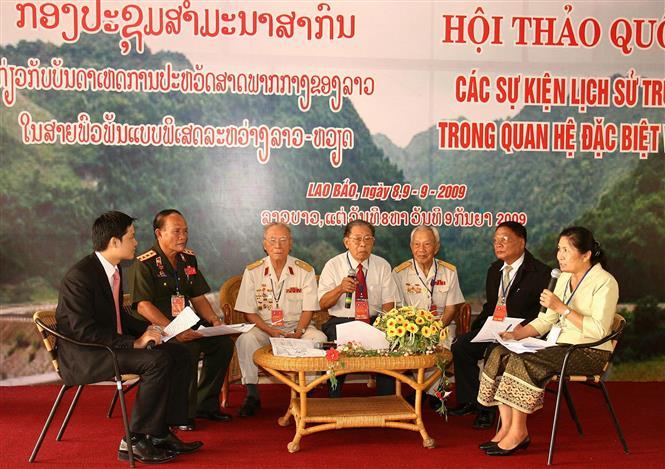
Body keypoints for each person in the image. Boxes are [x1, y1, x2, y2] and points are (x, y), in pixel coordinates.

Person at [55, 211, 202, 464]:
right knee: (155, 362)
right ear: (114, 242)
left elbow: (118, 318)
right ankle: (132, 441)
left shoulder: (114, 270)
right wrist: (134, 342)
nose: (136, 243)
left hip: (106, 345)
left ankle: (159, 434)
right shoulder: (81, 277)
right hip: (86, 354)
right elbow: (82, 330)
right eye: (131, 237)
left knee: (178, 352)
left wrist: (160, 331)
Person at [477, 226, 618, 456]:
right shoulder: (563, 278)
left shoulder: (605, 282)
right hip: (559, 346)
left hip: (587, 351)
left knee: (523, 360)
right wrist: (516, 334)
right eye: (558, 250)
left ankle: (519, 432)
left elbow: (599, 330)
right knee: (499, 352)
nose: (559, 256)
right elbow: (546, 320)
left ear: (585, 255)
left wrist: (562, 308)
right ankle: (506, 427)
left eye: (565, 250)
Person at [128, 209, 234, 431]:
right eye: (176, 231)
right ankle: (182, 414)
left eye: (185, 231)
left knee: (223, 343)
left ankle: (206, 405)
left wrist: (215, 321)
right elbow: (143, 306)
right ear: (159, 233)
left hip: (188, 323)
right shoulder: (144, 262)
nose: (183, 236)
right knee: (188, 348)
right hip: (158, 329)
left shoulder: (188, 258)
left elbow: (197, 296)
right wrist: (173, 330)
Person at [449, 221, 550, 429]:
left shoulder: (540, 273)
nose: (498, 245)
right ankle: (471, 401)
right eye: (495, 241)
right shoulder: (495, 270)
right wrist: (477, 330)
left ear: (521, 242)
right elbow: (491, 306)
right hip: (494, 328)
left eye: (504, 240)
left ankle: (487, 410)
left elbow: (543, 315)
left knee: (494, 353)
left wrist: (517, 331)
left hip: (521, 334)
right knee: (461, 345)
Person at [234, 223, 327, 416]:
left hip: (297, 327)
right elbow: (248, 312)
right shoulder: (253, 271)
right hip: (264, 327)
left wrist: (299, 332)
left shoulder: (304, 270)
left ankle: (306, 393)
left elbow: (309, 308)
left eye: (283, 240)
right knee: (246, 339)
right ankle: (252, 394)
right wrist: (270, 331)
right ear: (265, 245)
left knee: (318, 339)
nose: (278, 245)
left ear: (290, 244)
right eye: (273, 240)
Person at [318, 220, 398, 396]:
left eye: (368, 239)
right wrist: (340, 289)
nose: (363, 244)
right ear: (346, 242)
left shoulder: (382, 265)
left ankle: (386, 402)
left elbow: (388, 304)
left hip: (374, 320)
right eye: (357, 239)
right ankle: (333, 401)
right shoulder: (333, 265)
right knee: (336, 349)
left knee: (387, 343)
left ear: (373, 242)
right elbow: (322, 304)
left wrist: (383, 327)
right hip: (341, 321)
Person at [393, 225, 465, 406]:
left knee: (441, 347)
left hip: (442, 326)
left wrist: (436, 329)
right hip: (411, 327)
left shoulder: (449, 271)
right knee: (410, 347)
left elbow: (451, 308)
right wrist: (416, 331)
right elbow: (398, 309)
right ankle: (430, 392)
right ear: (411, 246)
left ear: (436, 247)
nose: (421, 250)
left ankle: (430, 393)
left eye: (427, 244)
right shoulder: (400, 273)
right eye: (417, 244)